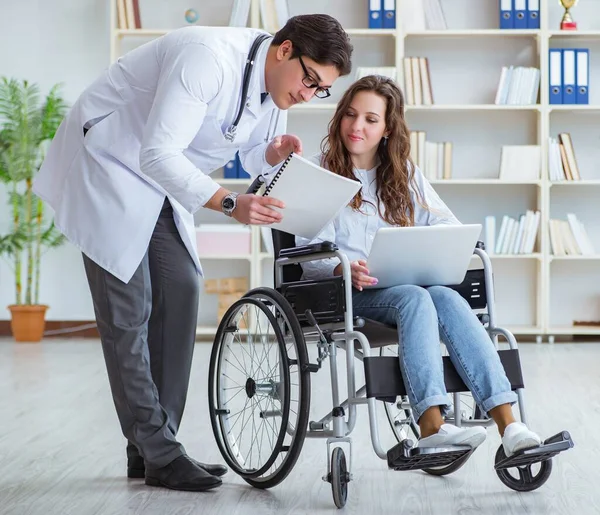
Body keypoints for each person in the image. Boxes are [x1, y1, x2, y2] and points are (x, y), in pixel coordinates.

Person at [33, 15, 353, 492]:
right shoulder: (207, 59)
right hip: (110, 161)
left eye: (322, 89)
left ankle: (151, 447)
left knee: (182, 287)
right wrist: (231, 203)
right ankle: (160, 451)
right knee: (128, 311)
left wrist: (271, 152)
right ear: (284, 50)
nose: (310, 95)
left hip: (160, 179)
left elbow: (241, 148)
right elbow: (157, 154)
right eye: (310, 81)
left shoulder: (278, 84)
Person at [296, 75, 541, 458]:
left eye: (371, 119)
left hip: (404, 289)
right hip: (344, 294)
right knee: (415, 298)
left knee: (442, 295)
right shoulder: (318, 173)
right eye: (350, 114)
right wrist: (342, 268)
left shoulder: (404, 174)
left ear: (388, 128)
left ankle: (510, 425)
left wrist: (432, 249)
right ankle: (431, 425)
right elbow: (306, 253)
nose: (357, 126)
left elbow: (446, 225)